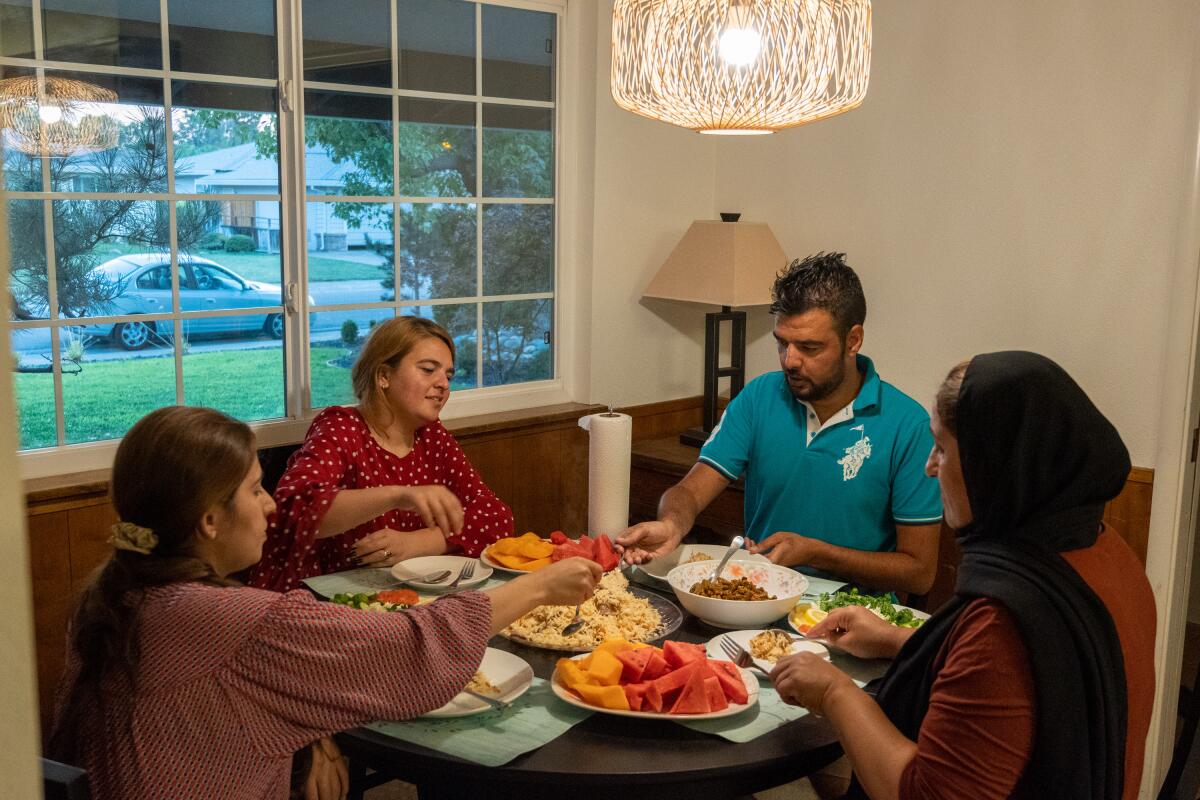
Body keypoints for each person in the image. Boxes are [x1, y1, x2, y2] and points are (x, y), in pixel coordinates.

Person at [48, 406, 601, 800]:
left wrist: (310, 736)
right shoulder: (227, 617)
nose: (270, 506)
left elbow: (233, 697)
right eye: (256, 489)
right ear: (209, 521)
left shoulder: (114, 588)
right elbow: (402, 648)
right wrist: (537, 586)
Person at [770, 352, 1157, 800]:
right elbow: (1034, 693)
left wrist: (834, 692)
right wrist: (901, 640)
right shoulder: (1106, 549)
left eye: (941, 448)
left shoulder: (1005, 622)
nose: (930, 467)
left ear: (991, 464)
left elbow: (923, 794)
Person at [618, 252, 942, 595]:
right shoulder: (758, 398)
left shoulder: (908, 425)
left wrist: (819, 554)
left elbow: (919, 573)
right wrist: (672, 523)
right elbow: (689, 491)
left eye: (809, 347)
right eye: (782, 343)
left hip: (856, 620)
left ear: (853, 340)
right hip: (758, 601)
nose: (790, 360)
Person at [248, 316, 515, 592]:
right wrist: (399, 495)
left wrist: (419, 543)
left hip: (402, 595)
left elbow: (496, 517)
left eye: (448, 375)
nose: (444, 384)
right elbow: (294, 509)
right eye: (428, 370)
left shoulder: (431, 435)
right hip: (318, 600)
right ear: (383, 376)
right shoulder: (342, 427)